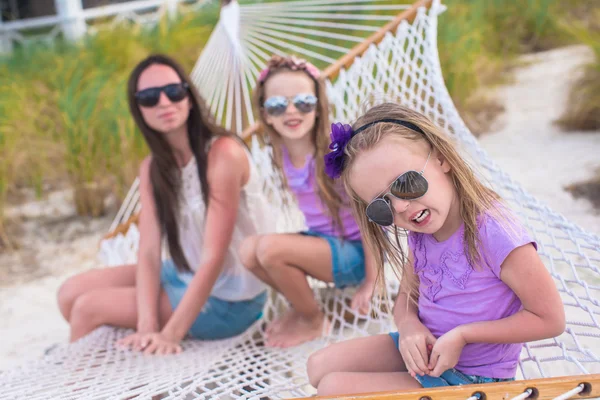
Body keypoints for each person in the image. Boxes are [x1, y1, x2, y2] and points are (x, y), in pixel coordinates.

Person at [307, 102, 565, 395]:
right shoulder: (421, 229)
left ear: (442, 159)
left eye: (406, 182)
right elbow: (406, 295)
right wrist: (408, 327)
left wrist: (464, 336)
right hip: (426, 354)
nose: (402, 206)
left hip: (473, 380)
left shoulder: (495, 231)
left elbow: (550, 318)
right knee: (318, 366)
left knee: (333, 389)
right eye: (382, 205)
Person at [56, 54, 274, 354]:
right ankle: (128, 365)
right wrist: (146, 327)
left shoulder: (223, 154)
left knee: (87, 309)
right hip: (186, 271)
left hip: (232, 298)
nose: (164, 103)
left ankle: (82, 387)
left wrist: (170, 334)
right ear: (138, 108)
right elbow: (148, 254)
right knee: (69, 293)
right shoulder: (153, 169)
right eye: (149, 97)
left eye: (173, 91)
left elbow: (214, 258)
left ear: (189, 96)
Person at [239, 55, 377, 348]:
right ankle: (302, 309)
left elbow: (369, 218)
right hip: (324, 245)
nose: (291, 111)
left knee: (269, 249)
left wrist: (372, 281)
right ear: (265, 114)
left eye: (303, 102)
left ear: (318, 106)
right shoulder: (281, 152)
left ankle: (313, 320)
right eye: (278, 105)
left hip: (355, 255)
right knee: (247, 251)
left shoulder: (334, 150)